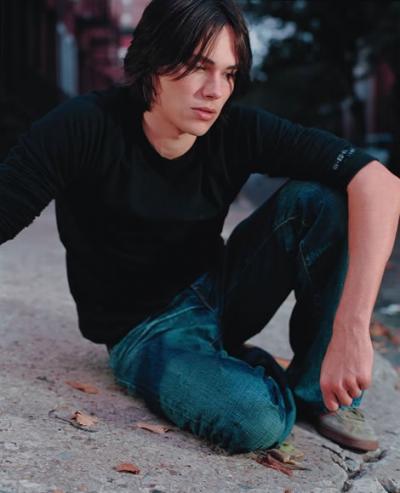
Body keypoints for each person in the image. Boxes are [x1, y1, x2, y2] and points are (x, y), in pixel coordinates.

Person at [1, 0, 399, 454]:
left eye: (228, 74)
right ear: (153, 60)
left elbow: (380, 182)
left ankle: (318, 393)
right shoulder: (83, 126)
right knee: (256, 420)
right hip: (146, 329)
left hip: (221, 291)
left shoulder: (235, 129)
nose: (215, 90)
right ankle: (236, 368)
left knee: (324, 199)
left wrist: (351, 330)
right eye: (197, 67)